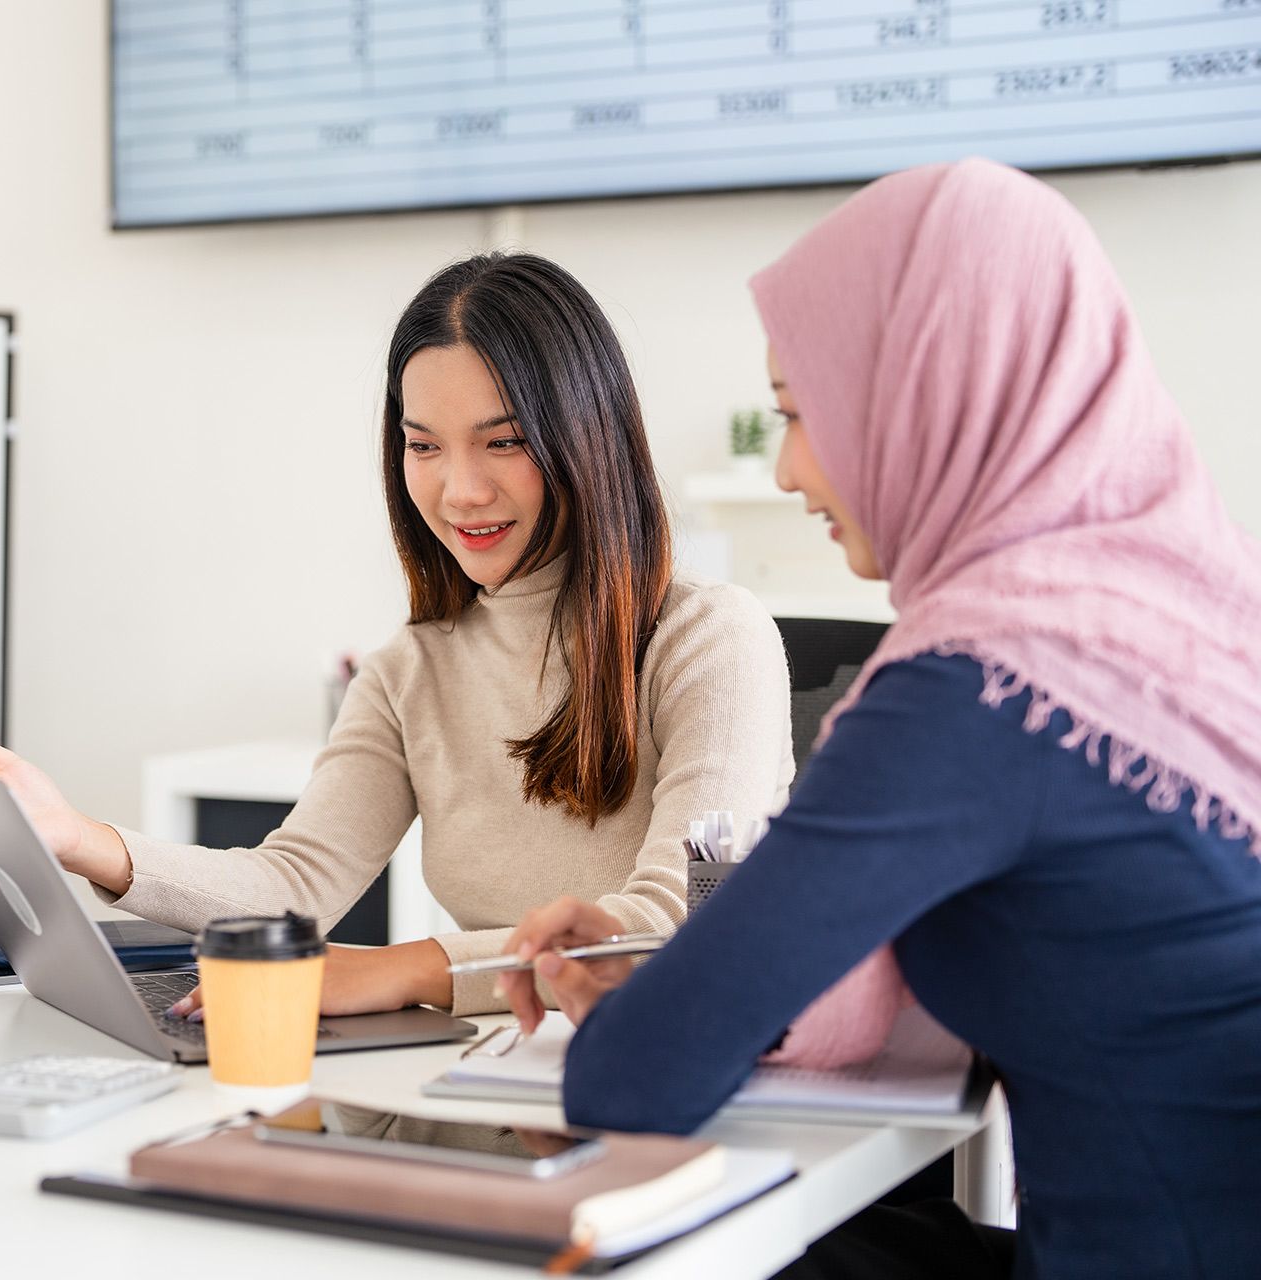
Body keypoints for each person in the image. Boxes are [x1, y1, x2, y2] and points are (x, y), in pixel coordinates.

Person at [500, 158, 1261, 1278]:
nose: (798, 471)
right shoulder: (1186, 627)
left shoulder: (975, 687)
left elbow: (631, 1076)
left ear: (928, 391)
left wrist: (649, 1002)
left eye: (803, 414)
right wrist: (683, 978)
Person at [0, 251, 794, 1018]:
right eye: (423, 446)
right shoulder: (410, 670)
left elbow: (687, 912)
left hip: (652, 1083)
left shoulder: (711, 640)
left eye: (503, 442)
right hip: (482, 1069)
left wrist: (405, 970)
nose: (459, 490)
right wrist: (82, 839)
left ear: (588, 438)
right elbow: (292, 886)